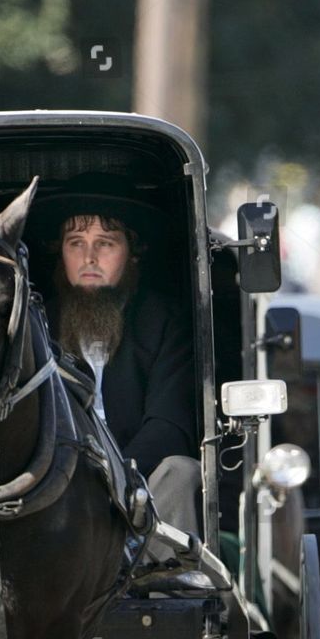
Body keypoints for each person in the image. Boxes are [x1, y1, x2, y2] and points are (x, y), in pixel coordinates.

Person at [31, 172, 203, 549]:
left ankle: (169, 590)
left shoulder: (165, 322)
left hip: (142, 491)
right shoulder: (37, 326)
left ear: (132, 251)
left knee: (183, 471)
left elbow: (169, 426)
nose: (89, 257)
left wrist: (112, 480)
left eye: (105, 243)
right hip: (57, 493)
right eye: (76, 243)